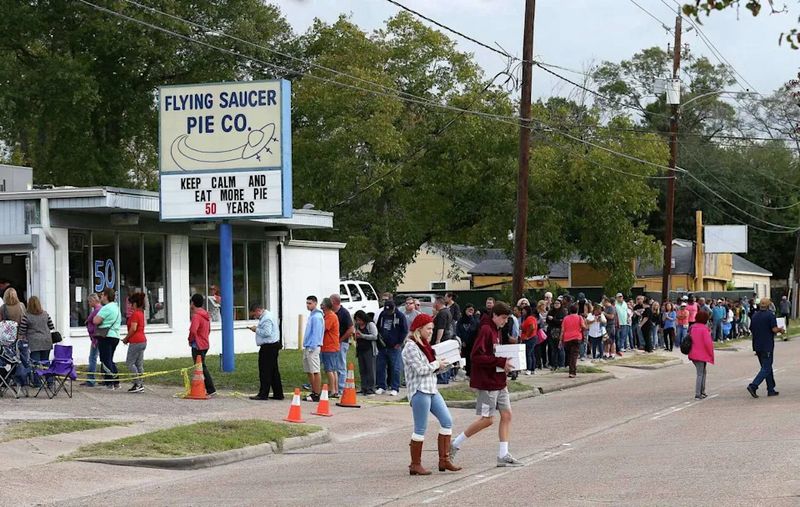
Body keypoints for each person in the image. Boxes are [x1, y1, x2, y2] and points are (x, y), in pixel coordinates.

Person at [450, 301, 523, 467]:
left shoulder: (496, 330)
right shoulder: (485, 330)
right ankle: (455, 443)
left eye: (507, 318)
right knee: (487, 419)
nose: (505, 322)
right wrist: (500, 362)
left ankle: (503, 454)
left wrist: (504, 364)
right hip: (487, 382)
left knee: (507, 415)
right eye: (503, 318)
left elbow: (494, 353)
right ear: (495, 316)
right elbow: (476, 356)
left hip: (498, 380)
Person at [402, 313, 460, 475]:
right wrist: (436, 364)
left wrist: (446, 365)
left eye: (432, 329)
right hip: (419, 390)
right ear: (419, 330)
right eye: (428, 329)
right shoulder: (411, 347)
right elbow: (420, 369)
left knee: (447, 421)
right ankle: (415, 464)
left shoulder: (426, 346)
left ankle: (444, 459)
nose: (431, 332)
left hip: (431, 388)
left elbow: (432, 368)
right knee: (420, 427)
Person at [747, 298, 785, 398]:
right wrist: (781, 330)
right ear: (768, 305)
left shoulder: (754, 315)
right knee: (766, 367)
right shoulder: (770, 315)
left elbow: (751, 328)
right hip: (767, 344)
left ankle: (771, 389)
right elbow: (774, 329)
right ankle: (753, 385)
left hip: (757, 345)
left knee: (766, 367)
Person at [248, 302, 283, 401]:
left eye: (255, 314)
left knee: (265, 371)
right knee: (273, 371)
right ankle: (278, 393)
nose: (255, 317)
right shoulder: (268, 315)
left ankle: (263, 393)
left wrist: (256, 329)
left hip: (268, 347)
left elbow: (267, 333)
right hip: (273, 346)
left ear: (258, 310)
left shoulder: (266, 318)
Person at [19, 296, 54, 387]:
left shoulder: (26, 316)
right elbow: (51, 326)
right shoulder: (45, 314)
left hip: (34, 342)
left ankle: (37, 382)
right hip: (46, 340)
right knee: (46, 362)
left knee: (35, 363)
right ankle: (50, 382)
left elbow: (22, 331)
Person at [376, 300, 408, 396]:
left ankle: (395, 387)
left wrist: (399, 342)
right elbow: (378, 327)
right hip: (382, 346)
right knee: (380, 366)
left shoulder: (400, 316)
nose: (388, 312)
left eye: (390, 310)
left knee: (395, 367)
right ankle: (381, 386)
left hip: (394, 346)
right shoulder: (382, 314)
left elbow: (404, 330)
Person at [93, 288, 121, 390]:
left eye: (102, 295)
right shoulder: (116, 307)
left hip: (106, 336)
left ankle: (109, 383)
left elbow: (96, 320)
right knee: (110, 359)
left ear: (106, 296)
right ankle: (116, 380)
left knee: (105, 360)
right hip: (115, 336)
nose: (100, 297)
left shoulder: (106, 308)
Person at [188, 293, 216, 396]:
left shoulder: (196, 316)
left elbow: (193, 330)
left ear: (193, 303)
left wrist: (190, 340)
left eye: (191, 302)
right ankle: (204, 387)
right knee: (201, 366)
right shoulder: (205, 315)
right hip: (205, 343)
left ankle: (210, 389)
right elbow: (208, 330)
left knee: (200, 367)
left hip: (198, 345)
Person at [122, 292, 147, 393]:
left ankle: (137, 383)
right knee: (139, 364)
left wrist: (126, 338)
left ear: (135, 304)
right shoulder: (141, 313)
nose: (130, 306)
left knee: (130, 363)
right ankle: (140, 383)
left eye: (131, 303)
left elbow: (133, 328)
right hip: (142, 340)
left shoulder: (135, 314)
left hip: (136, 341)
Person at [688, 310, 714, 399]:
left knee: (702, 372)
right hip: (701, 354)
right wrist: (711, 354)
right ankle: (698, 392)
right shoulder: (704, 329)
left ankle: (702, 391)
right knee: (700, 373)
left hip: (693, 353)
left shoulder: (692, 327)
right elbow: (708, 343)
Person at [302, 295, 324, 402]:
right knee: (309, 370)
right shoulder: (312, 315)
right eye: (307, 303)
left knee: (315, 370)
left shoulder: (317, 317)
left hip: (313, 347)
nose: (308, 305)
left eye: (310, 303)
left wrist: (313, 346)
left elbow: (316, 333)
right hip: (308, 346)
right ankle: (313, 390)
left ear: (315, 303)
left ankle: (317, 393)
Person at [331, 294, 354, 394]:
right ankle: (334, 387)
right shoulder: (331, 312)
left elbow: (351, 329)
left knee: (340, 365)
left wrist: (341, 339)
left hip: (341, 342)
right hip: (332, 343)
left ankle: (341, 388)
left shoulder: (344, 313)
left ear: (334, 302)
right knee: (333, 366)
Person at [320, 298, 341, 398]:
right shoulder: (329, 316)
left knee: (329, 369)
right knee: (333, 369)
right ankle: (335, 389)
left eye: (322, 304)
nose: (320, 305)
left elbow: (324, 328)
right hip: (332, 346)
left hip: (330, 346)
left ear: (325, 306)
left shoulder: (330, 316)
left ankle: (333, 390)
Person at [354, 310, 378, 395]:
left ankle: (371, 388)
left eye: (360, 320)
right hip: (360, 349)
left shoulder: (370, 325)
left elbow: (375, 336)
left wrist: (363, 336)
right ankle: (363, 388)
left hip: (369, 349)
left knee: (370, 370)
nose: (358, 322)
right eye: (357, 320)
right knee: (362, 370)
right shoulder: (357, 326)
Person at [80, 293, 102, 387]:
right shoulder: (97, 310)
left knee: (93, 358)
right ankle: (95, 378)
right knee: (97, 357)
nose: (88, 303)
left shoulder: (97, 310)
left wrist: (94, 340)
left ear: (94, 300)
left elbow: (96, 325)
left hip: (96, 338)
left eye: (89, 301)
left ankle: (91, 379)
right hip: (95, 337)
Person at [561, 305, 586, 377]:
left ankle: (570, 370)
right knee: (574, 356)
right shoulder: (579, 317)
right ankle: (572, 372)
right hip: (576, 338)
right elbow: (583, 327)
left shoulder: (565, 318)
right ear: (577, 310)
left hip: (567, 338)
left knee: (569, 355)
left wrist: (560, 339)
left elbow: (563, 330)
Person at [456, 304, 480, 376]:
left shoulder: (475, 320)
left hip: (473, 343)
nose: (470, 311)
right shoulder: (461, 320)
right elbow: (458, 331)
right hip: (464, 344)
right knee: (465, 358)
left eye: (472, 310)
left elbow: (477, 331)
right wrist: (462, 340)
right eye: (469, 310)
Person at [546, 299, 565, 371]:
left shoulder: (563, 312)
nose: (556, 304)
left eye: (558, 303)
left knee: (560, 348)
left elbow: (561, 322)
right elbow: (548, 321)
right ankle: (554, 365)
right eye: (555, 303)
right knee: (553, 349)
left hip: (560, 332)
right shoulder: (551, 311)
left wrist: (553, 319)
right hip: (551, 332)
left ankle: (561, 365)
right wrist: (554, 320)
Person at [519, 305, 538, 375]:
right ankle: (532, 368)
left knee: (528, 353)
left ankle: (529, 369)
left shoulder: (530, 318)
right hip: (531, 338)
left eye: (523, 310)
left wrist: (527, 335)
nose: (522, 311)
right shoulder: (528, 318)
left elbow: (532, 327)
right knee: (532, 353)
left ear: (526, 311)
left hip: (530, 338)